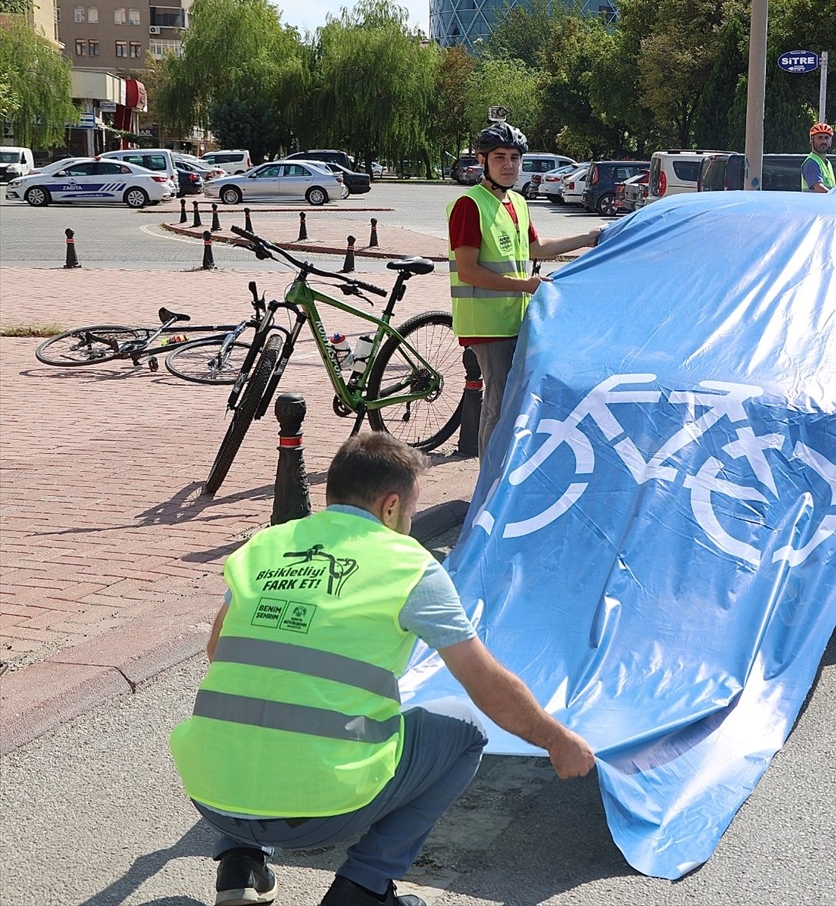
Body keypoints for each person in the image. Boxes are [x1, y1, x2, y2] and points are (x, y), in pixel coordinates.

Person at [170, 433, 595, 906]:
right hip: (321, 810)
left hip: (209, 794)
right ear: (391, 506)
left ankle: (239, 867)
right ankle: (363, 888)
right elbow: (485, 683)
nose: (411, 520)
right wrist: (557, 740)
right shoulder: (407, 565)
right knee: (467, 730)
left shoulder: (264, 547)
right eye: (413, 508)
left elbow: (217, 650)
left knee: (259, 697)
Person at [448, 122, 602, 459]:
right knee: (499, 404)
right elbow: (469, 270)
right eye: (499, 157)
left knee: (513, 403)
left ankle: (502, 477)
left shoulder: (516, 202)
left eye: (515, 158)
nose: (508, 165)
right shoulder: (469, 205)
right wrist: (527, 285)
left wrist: (588, 238)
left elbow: (537, 247)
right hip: (486, 325)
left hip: (514, 319)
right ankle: (489, 487)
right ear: (482, 160)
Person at [801, 122, 836, 192]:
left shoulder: (827, 163)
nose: (823, 141)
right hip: (814, 203)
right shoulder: (811, 163)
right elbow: (819, 188)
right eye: (820, 138)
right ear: (812, 140)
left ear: (830, 142)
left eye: (826, 138)